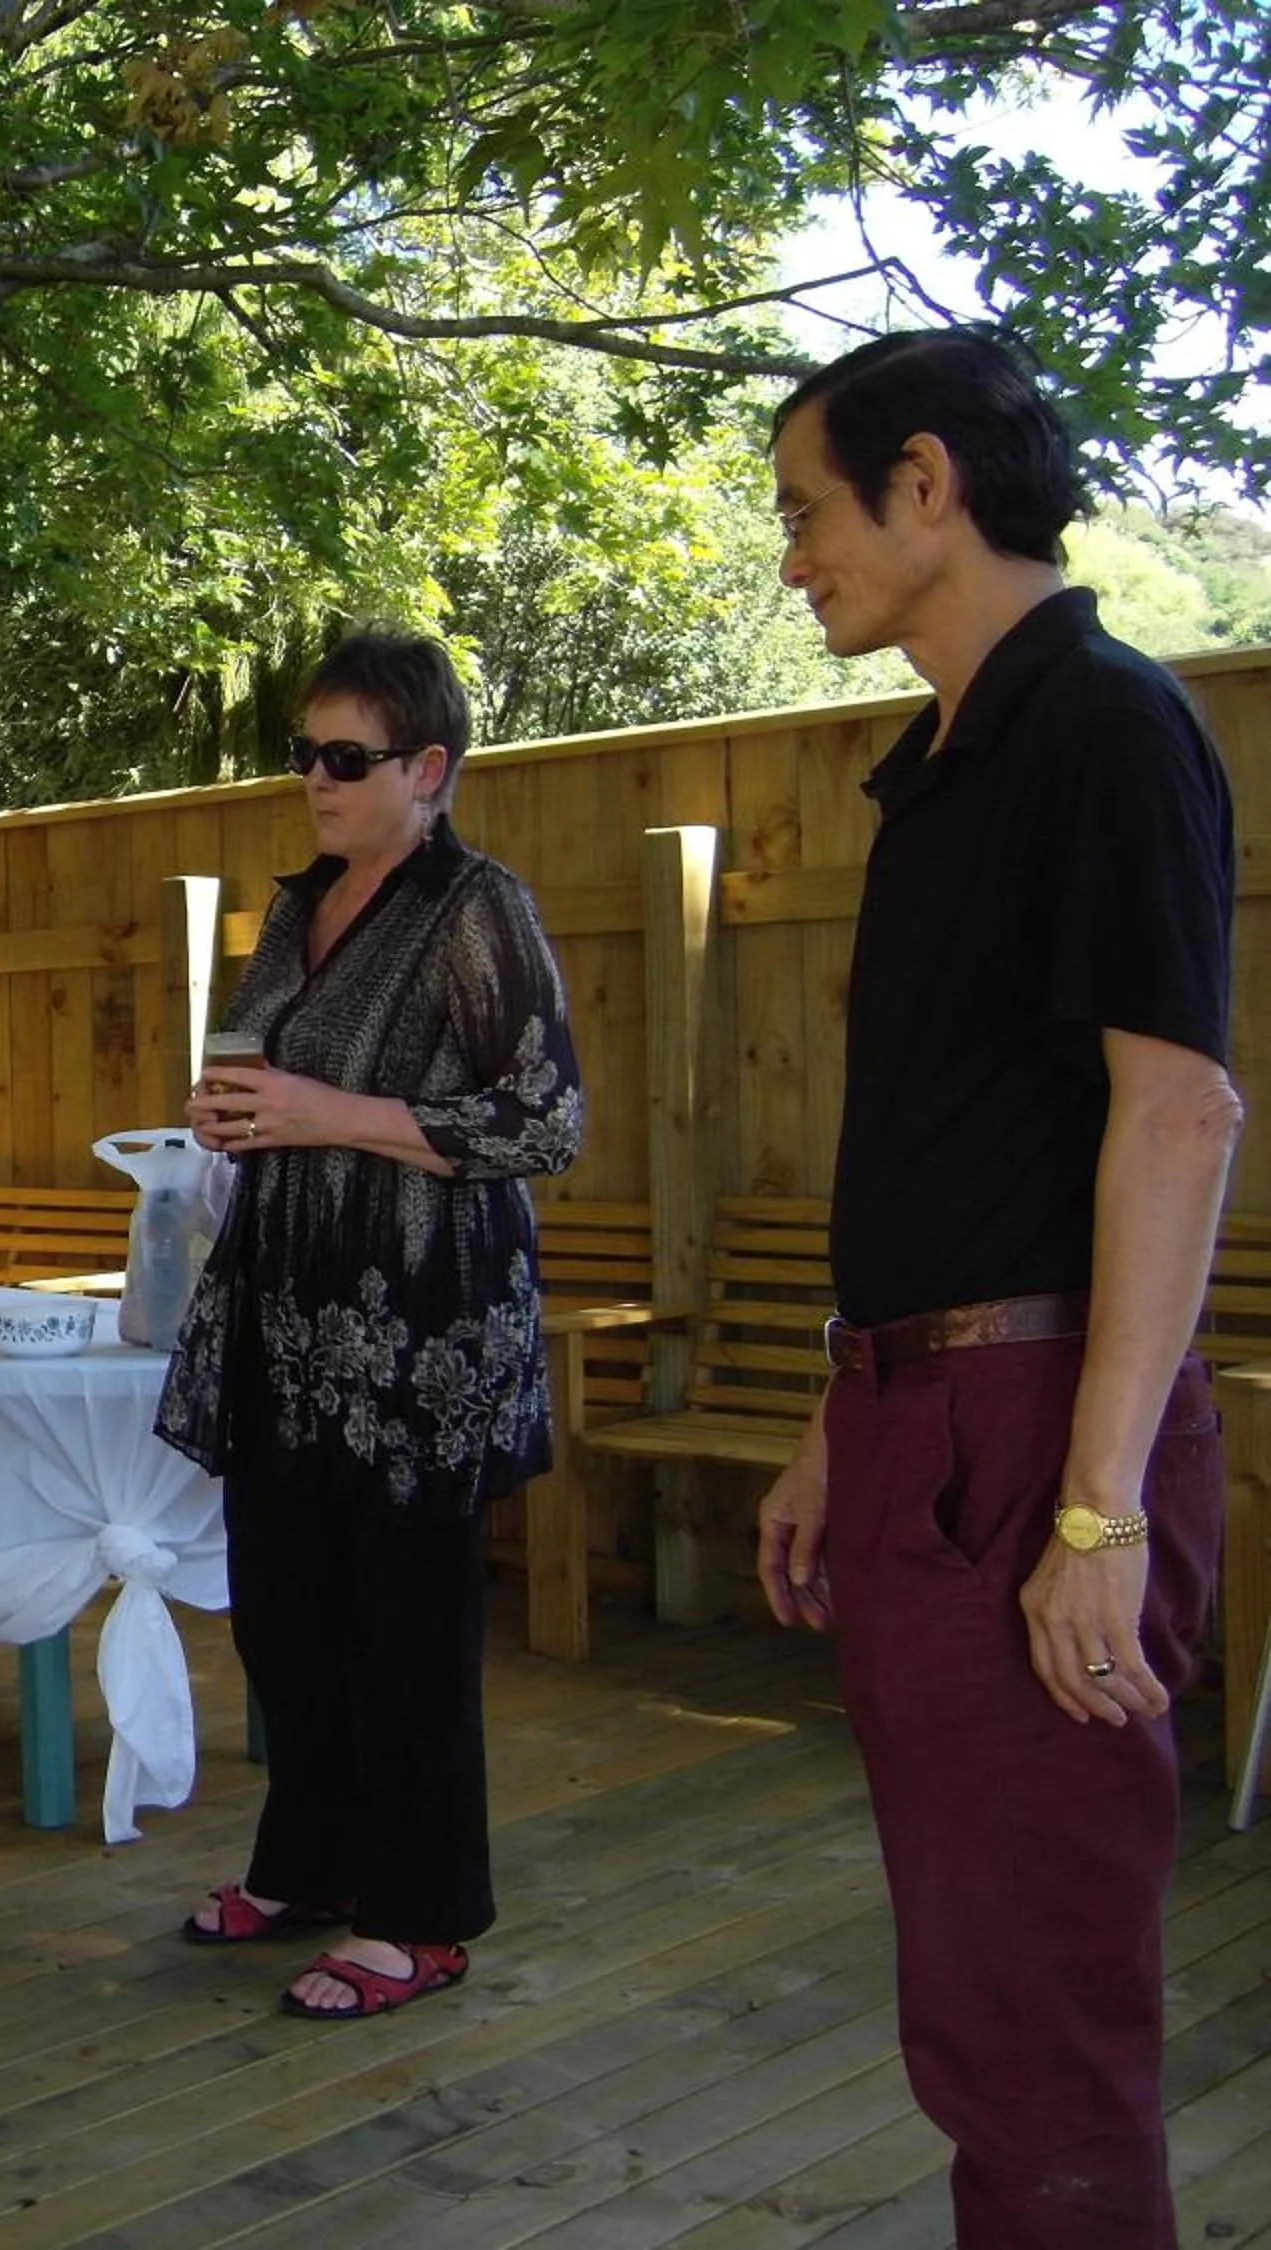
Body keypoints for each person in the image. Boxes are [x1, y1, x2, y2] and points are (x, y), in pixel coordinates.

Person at [754, 328, 1238, 2248]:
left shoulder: (1105, 725)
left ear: (928, 483)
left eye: (810, 508)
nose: (794, 555)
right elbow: (944, 1152)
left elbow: (1179, 1112)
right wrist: (842, 1412)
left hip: (1043, 1438)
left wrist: (1100, 1509)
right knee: (976, 2010)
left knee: (1039, 2031)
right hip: (922, 1420)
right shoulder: (940, 768)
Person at [156, 628, 582, 2021]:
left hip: (418, 1335)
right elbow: (267, 1078)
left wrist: (326, 1112)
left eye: (347, 758)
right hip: (286, 1315)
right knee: (285, 1621)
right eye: (305, 754)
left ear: (428, 767)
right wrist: (232, 1110)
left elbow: (542, 1120)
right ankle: (310, 1865)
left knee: (406, 1636)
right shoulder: (298, 906)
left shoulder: (475, 907)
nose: (317, 781)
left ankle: (420, 1915)